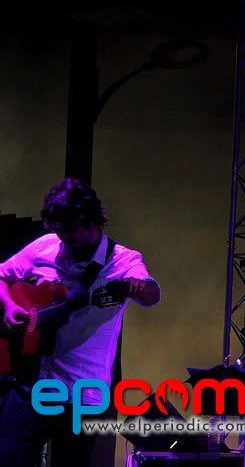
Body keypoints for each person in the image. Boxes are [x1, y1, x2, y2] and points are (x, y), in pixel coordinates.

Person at [0, 178, 160, 466]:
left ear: (94, 221)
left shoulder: (123, 261)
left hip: (81, 395)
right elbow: (2, 274)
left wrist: (138, 287)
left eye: (71, 230)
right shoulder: (46, 246)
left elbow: (150, 294)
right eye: (59, 231)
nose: (65, 239)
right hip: (30, 385)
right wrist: (10, 307)